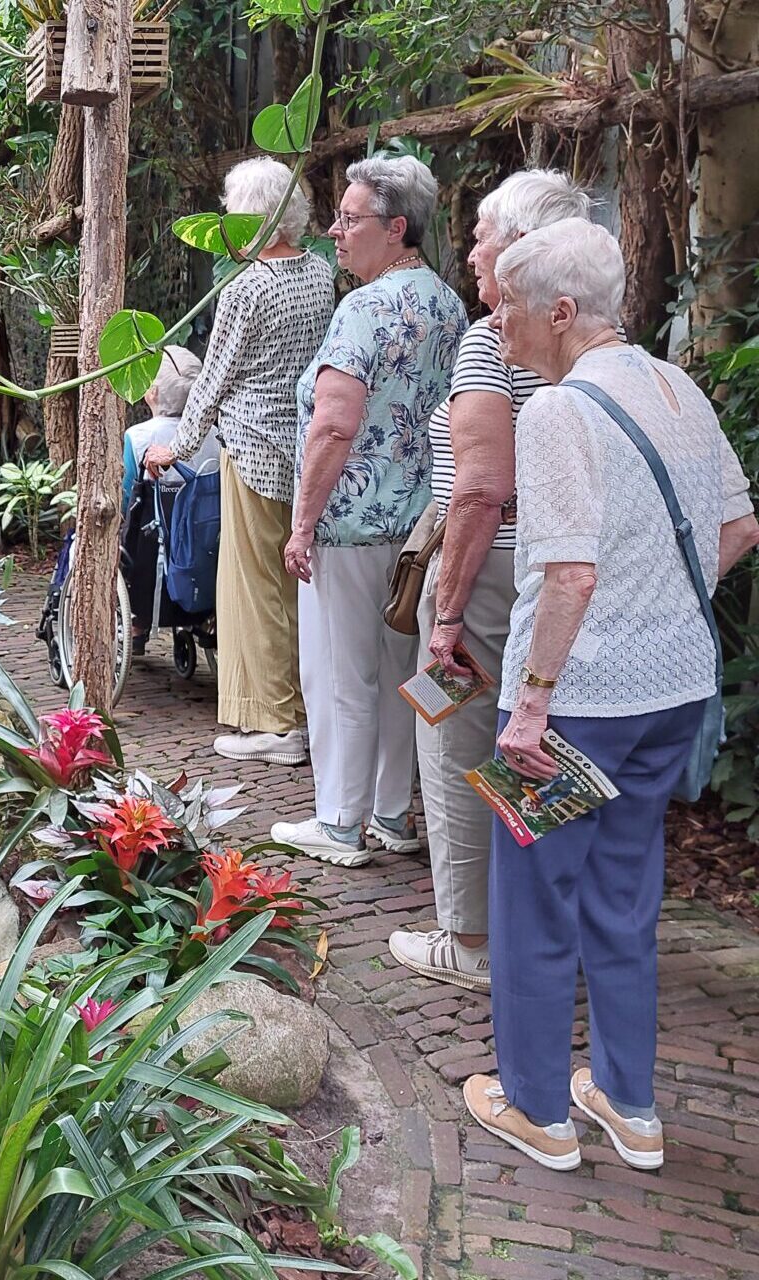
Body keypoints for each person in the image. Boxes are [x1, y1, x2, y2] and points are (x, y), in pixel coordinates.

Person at [462, 218, 758, 1172]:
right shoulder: (679, 387)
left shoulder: (556, 411)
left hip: (575, 703)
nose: (496, 319)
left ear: (560, 311)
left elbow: (572, 575)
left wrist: (531, 704)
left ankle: (537, 1109)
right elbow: (740, 529)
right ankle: (631, 1105)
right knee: (625, 896)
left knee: (534, 901)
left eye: (510, 304)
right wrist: (660, 605)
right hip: (673, 690)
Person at [387, 170, 594, 993]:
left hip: (487, 571)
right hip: (560, 570)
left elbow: (478, 489)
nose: (470, 251)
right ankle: (543, 926)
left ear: (518, 249)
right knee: (537, 750)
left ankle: (471, 938)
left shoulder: (490, 341)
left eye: (481, 235)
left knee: (457, 748)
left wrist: (446, 615)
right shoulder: (591, 341)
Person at [269, 155, 468, 865]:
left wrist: (302, 524)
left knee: (339, 675)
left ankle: (339, 821)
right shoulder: (448, 303)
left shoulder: (363, 308)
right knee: (395, 675)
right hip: (419, 528)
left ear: (396, 227)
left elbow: (333, 425)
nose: (335, 231)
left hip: (349, 523)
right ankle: (390, 813)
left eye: (349, 219)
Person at [144, 158, 335, 767]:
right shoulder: (319, 274)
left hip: (252, 450)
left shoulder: (246, 288)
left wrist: (176, 445)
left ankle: (274, 724)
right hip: (305, 451)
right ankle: (306, 713)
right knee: (296, 588)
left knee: (254, 592)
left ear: (252, 217)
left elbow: (213, 379)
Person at [121, 345, 208, 514]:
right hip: (208, 528)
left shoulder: (136, 437)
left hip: (151, 529)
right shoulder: (214, 435)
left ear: (153, 392)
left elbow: (126, 499)